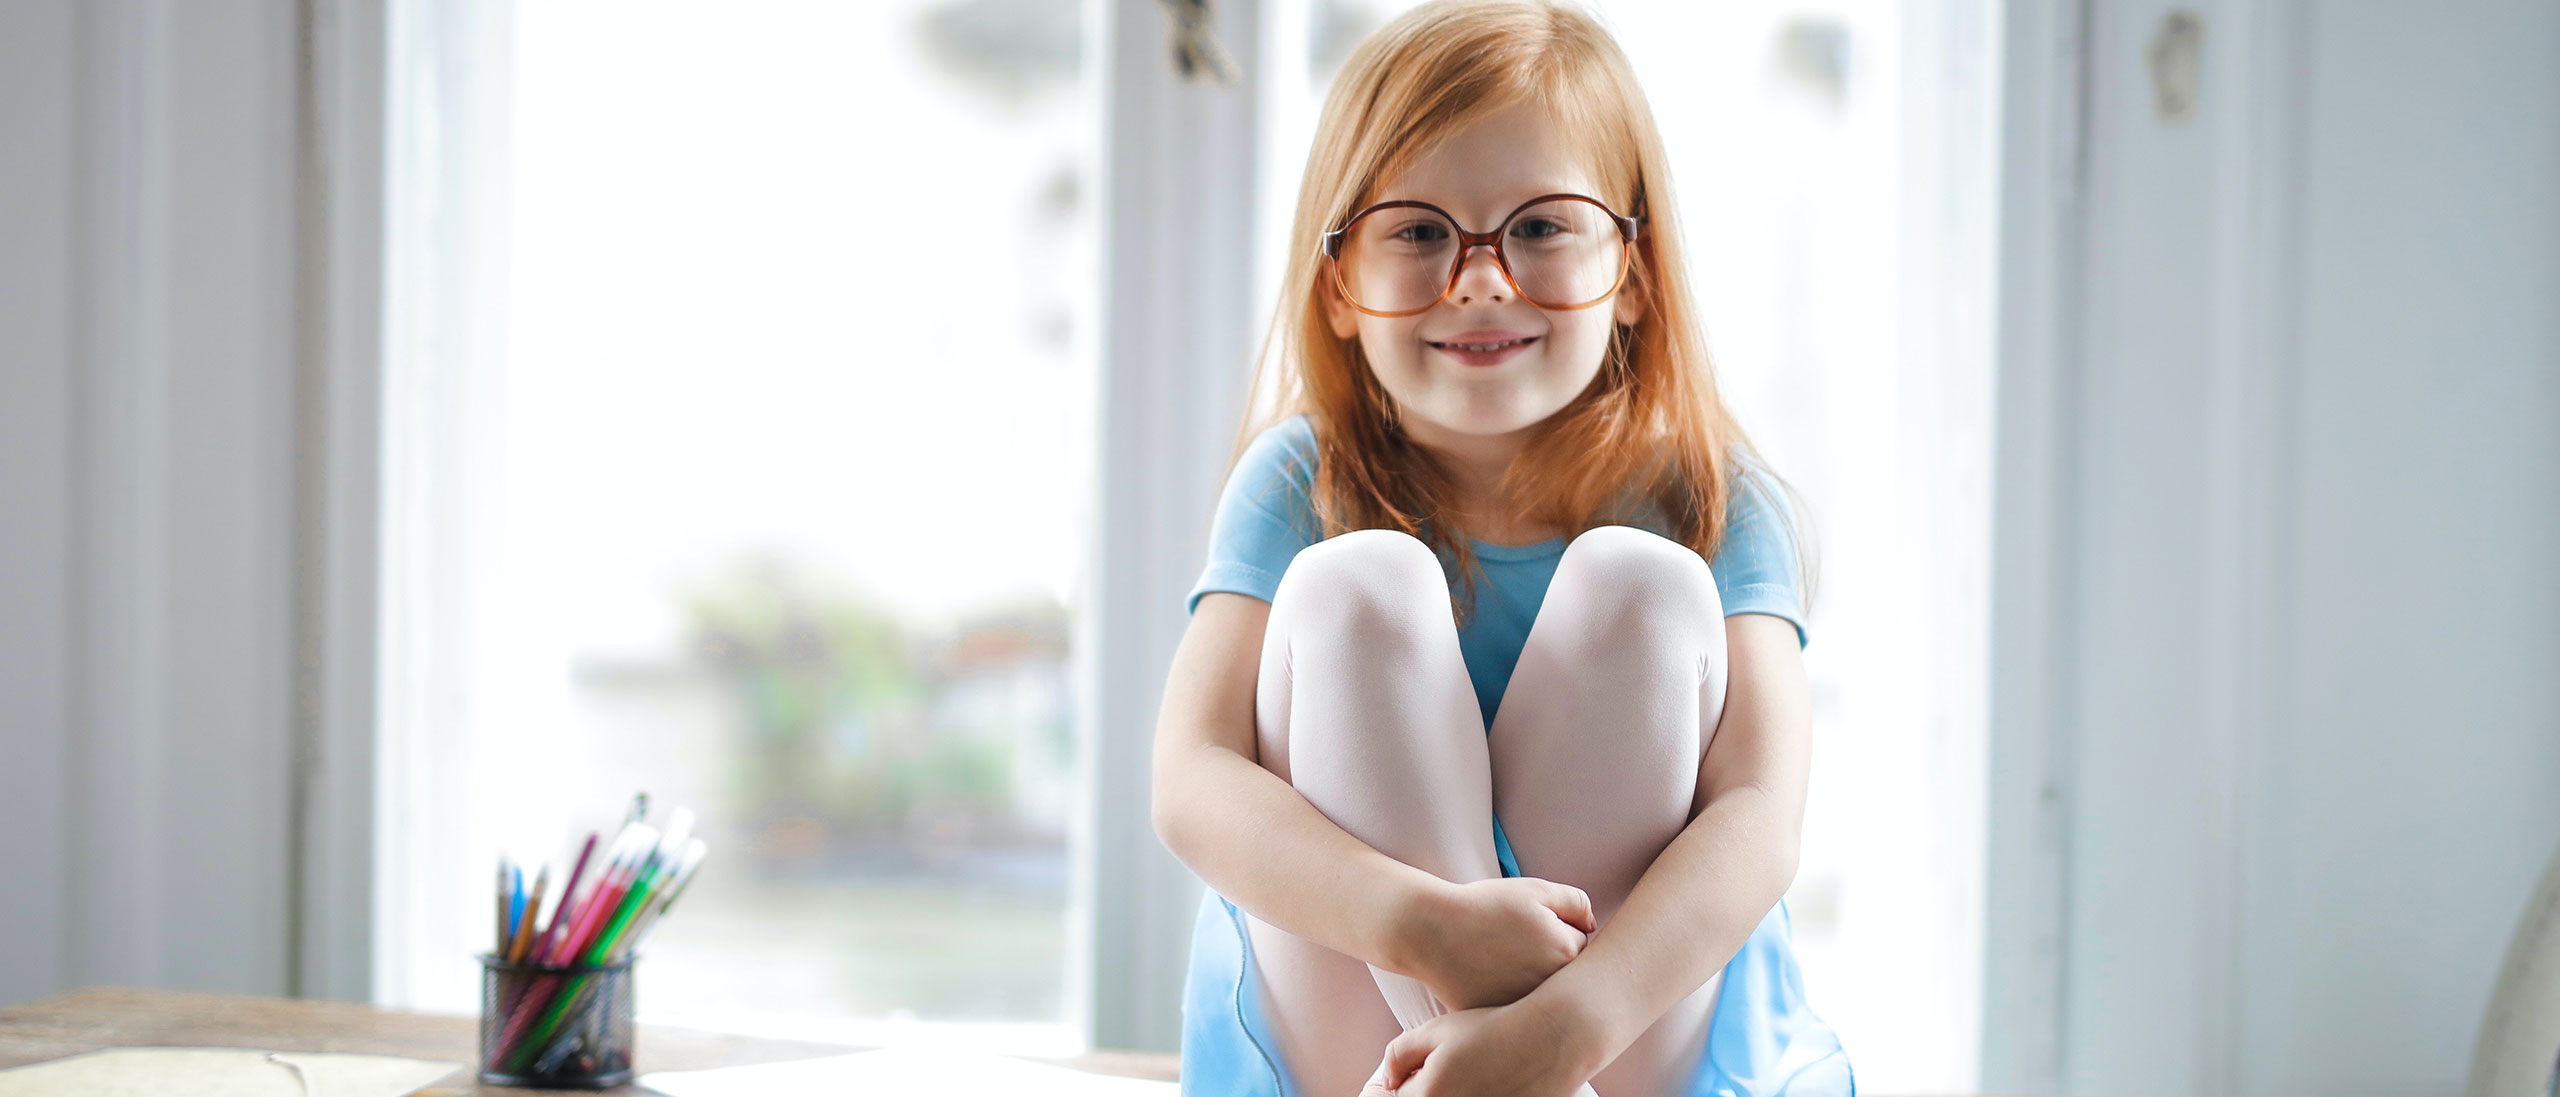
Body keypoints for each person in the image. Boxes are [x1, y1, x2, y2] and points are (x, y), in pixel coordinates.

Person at [1149, 3, 1852, 1094]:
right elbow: (1190, 780)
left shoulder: (1712, 496)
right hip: (1358, 1029)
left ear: (1635, 271)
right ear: (1341, 284)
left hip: (1616, 1026)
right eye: (1420, 231)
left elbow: (1760, 817)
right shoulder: (1300, 481)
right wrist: (1419, 923)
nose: (1480, 277)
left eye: (1539, 227)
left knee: (1640, 584)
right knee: (1356, 587)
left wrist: (1571, 1022)